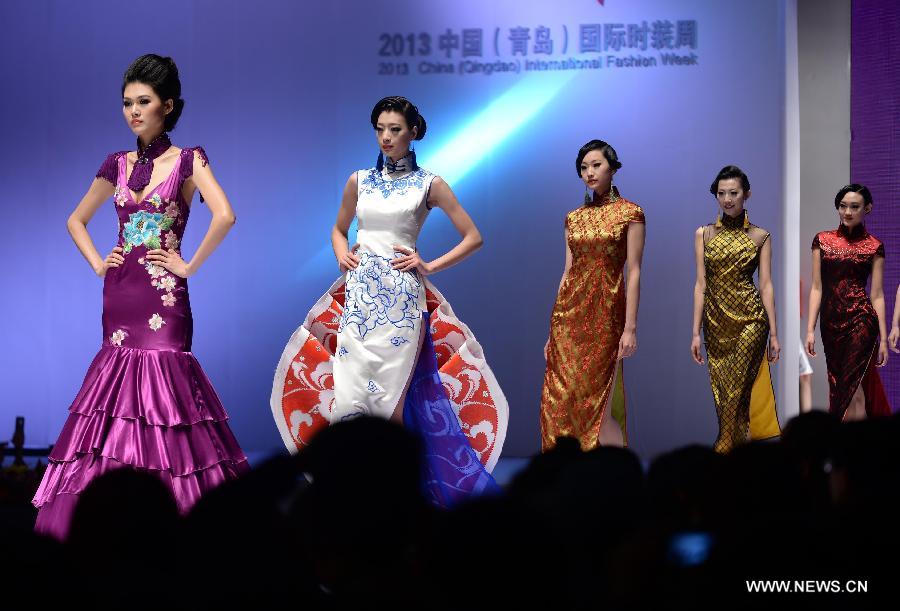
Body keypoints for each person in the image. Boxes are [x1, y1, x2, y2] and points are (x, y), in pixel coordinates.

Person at [32, 54, 248, 539]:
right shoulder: (116, 162)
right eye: (127, 103)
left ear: (167, 106)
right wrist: (97, 263)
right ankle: (110, 523)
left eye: (144, 102)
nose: (133, 111)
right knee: (116, 397)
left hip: (163, 299)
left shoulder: (189, 159)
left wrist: (187, 265)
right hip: (120, 295)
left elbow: (226, 215)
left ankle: (175, 519)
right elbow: (75, 220)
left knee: (164, 395)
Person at [271, 96, 507, 507]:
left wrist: (429, 264)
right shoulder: (358, 180)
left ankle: (390, 503)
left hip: (400, 305)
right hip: (360, 301)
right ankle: (350, 499)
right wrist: (340, 251)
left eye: (395, 129)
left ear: (413, 132)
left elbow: (474, 236)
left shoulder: (430, 184)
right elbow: (338, 228)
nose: (386, 136)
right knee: (349, 400)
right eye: (380, 128)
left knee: (390, 405)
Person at [540, 139, 645, 451]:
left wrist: (630, 328)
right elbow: (567, 271)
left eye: (596, 165)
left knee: (596, 406)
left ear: (612, 167)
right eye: (584, 168)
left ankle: (618, 478)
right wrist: (552, 330)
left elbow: (635, 271)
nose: (589, 172)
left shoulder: (631, 213)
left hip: (605, 317)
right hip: (567, 319)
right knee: (558, 402)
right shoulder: (573, 218)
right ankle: (562, 478)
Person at [691, 166, 780, 453]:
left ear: (747, 195)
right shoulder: (703, 234)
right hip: (715, 323)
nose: (727, 199)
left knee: (735, 393)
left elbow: (766, 285)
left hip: (751, 321)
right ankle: (742, 469)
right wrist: (695, 333)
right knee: (727, 398)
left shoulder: (760, 236)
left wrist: (774, 334)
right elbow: (700, 285)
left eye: (734, 193)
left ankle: (721, 455)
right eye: (721, 193)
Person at [805, 184, 891, 420]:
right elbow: (816, 287)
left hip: (862, 320)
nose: (847, 212)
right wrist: (810, 329)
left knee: (854, 389)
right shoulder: (822, 240)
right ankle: (847, 449)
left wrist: (883, 338)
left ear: (868, 209)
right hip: (831, 323)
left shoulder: (874, 246)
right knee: (838, 387)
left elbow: (877, 295)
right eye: (843, 206)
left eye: (855, 207)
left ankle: (855, 450)